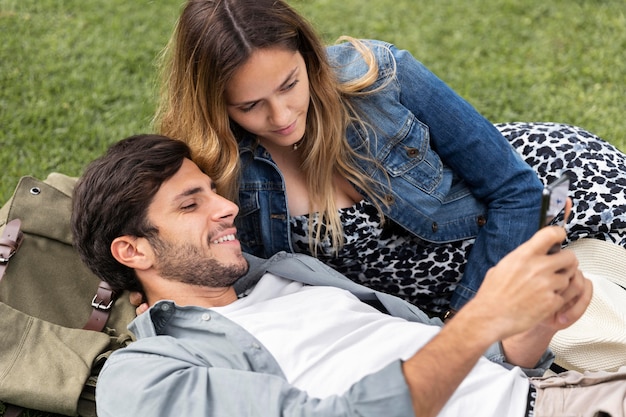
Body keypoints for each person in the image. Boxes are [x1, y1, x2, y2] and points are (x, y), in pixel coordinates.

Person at [70, 134, 626, 417]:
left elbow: (469, 366)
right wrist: (482, 317)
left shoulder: (289, 274)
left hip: (547, 393)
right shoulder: (144, 373)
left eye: (214, 191)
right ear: (132, 250)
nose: (226, 207)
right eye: (191, 205)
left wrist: (533, 330)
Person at [154, 0, 626, 318]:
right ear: (214, 104)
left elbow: (516, 191)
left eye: (289, 85)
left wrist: (467, 328)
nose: (280, 117)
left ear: (309, 57)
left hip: (542, 192)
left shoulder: (378, 76)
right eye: (250, 106)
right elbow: (228, 280)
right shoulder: (215, 169)